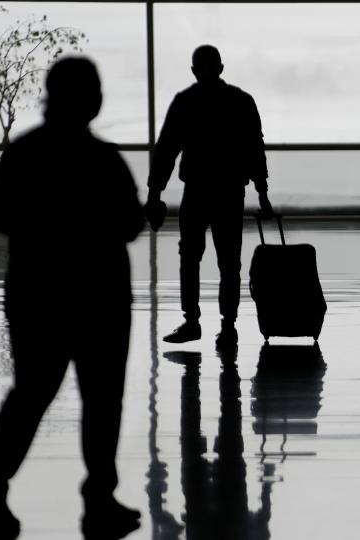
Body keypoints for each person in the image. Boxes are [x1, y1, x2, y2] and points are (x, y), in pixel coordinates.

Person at [0, 57, 144, 538]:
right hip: (101, 294)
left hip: (37, 291)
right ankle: (99, 497)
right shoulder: (104, 159)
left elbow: (2, 218)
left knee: (31, 393)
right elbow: (132, 224)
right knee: (102, 398)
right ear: (89, 98)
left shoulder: (25, 153)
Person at [145, 45, 273, 348]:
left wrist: (154, 193)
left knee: (189, 257)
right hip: (230, 191)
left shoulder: (185, 102)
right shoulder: (241, 101)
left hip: (197, 191)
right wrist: (262, 193)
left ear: (194, 70)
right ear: (221, 67)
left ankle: (192, 321)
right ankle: (228, 327)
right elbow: (255, 149)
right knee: (230, 262)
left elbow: (166, 150)